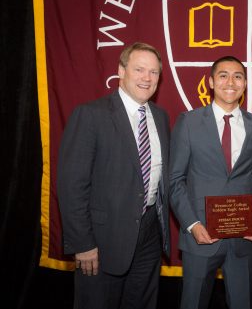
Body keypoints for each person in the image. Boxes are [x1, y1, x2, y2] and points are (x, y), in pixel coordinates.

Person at [57, 42, 171, 309]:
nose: (147, 78)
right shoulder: (90, 115)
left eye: (153, 72)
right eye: (139, 69)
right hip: (101, 241)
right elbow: (72, 186)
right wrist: (83, 243)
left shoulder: (161, 117)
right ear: (121, 71)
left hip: (149, 237)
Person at [169, 56, 252, 309]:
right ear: (211, 82)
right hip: (200, 237)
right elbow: (175, 180)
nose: (230, 82)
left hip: (243, 239)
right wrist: (191, 224)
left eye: (238, 76)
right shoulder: (188, 122)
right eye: (223, 75)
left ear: (245, 83)